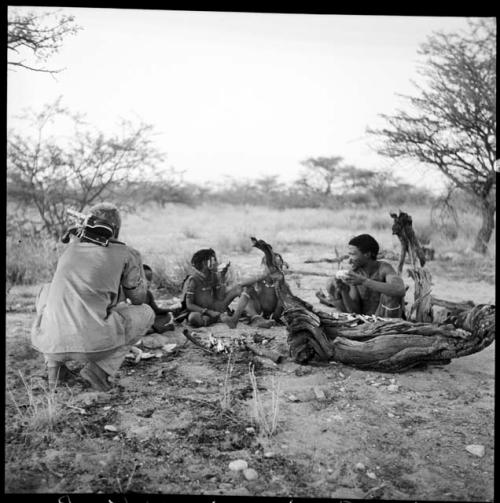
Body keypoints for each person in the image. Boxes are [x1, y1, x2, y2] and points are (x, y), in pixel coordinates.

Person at [31, 203, 155, 391]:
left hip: (49, 341)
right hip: (92, 344)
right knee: (146, 313)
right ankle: (98, 372)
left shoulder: (71, 247)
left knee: (48, 291)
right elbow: (138, 299)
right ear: (116, 229)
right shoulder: (127, 253)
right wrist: (139, 272)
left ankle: (54, 369)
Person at [182, 248, 279, 329]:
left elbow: (219, 297)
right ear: (205, 263)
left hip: (216, 307)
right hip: (202, 311)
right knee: (194, 318)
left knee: (241, 288)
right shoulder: (193, 280)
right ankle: (219, 318)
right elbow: (189, 305)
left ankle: (246, 318)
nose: (217, 262)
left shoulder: (214, 276)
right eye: (214, 260)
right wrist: (208, 312)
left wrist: (222, 277)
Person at [326, 234, 406, 318]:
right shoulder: (355, 273)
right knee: (331, 284)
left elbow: (400, 289)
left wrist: (364, 281)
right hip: (367, 321)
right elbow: (355, 311)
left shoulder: (384, 268)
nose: (349, 260)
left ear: (367, 254)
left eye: (353, 254)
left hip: (387, 321)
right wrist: (344, 291)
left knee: (390, 294)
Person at [142, 264, 175, 334]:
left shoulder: (148, 294)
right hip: (136, 321)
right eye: (145, 279)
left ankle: (153, 329)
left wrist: (170, 310)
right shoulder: (130, 293)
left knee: (167, 316)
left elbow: (156, 310)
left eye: (150, 279)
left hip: (148, 321)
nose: (148, 283)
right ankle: (160, 328)